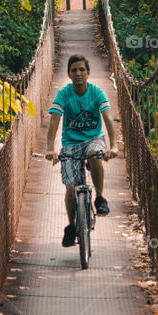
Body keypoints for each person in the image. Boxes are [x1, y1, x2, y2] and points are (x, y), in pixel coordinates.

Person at [46, 55, 118, 247]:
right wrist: (50, 148)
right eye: (74, 70)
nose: (78, 74)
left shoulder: (97, 93)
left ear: (88, 73)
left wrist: (114, 146)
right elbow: (54, 121)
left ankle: (100, 198)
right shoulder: (64, 94)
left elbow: (108, 120)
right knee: (71, 188)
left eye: (81, 70)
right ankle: (71, 227)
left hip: (93, 139)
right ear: (69, 74)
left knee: (94, 154)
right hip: (70, 143)